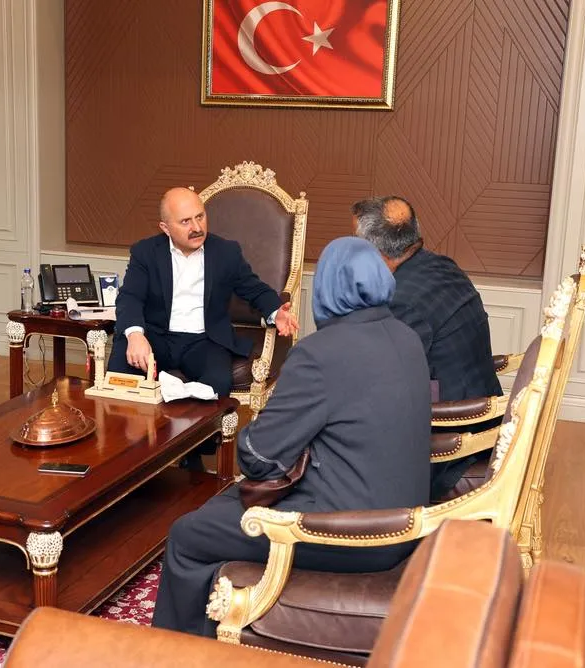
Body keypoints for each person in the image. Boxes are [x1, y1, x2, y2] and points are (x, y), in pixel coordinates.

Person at [151, 237, 432, 637]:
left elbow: (257, 456)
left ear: (327, 288)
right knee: (223, 510)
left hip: (348, 530)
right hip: (404, 521)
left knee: (187, 533)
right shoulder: (406, 336)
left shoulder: (321, 353)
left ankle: (175, 652)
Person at [111, 186, 298, 467]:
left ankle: (193, 452)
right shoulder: (145, 252)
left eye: (200, 217)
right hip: (157, 337)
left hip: (204, 340)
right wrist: (136, 335)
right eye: (185, 221)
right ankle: (128, 452)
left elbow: (254, 289)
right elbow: (130, 297)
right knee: (121, 363)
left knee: (217, 381)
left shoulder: (225, 252)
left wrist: (275, 312)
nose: (197, 227)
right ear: (165, 228)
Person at [352, 196, 503, 497]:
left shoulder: (401, 300)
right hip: (483, 416)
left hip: (449, 440)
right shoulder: (442, 266)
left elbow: (379, 382)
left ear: (373, 252)